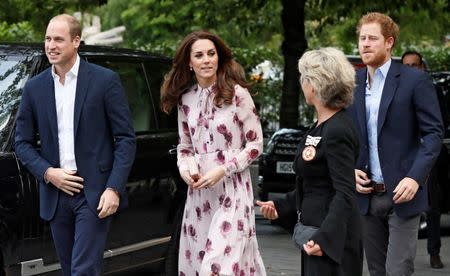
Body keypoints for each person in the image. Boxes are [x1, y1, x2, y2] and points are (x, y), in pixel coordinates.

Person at [14, 14, 136, 276]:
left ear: (76, 41)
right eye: (47, 39)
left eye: (59, 39)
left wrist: (113, 187)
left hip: (93, 194)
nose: (51, 45)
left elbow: (125, 138)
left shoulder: (105, 81)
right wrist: (48, 173)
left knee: (83, 271)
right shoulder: (34, 88)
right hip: (56, 195)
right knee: (70, 270)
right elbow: (22, 142)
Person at [160, 31, 266, 276]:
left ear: (219, 58)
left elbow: (255, 144)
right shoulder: (185, 100)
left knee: (219, 267)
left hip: (233, 189)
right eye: (199, 55)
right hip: (200, 196)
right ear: (190, 62)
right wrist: (187, 171)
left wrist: (223, 169)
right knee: (199, 264)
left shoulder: (237, 94)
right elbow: (185, 147)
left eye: (211, 54)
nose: (206, 60)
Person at [349, 13, 443, 276]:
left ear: (389, 42)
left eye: (372, 38)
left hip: (404, 194)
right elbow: (343, 136)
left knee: (398, 271)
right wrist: (349, 169)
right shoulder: (352, 84)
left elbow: (434, 134)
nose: (365, 44)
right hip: (367, 196)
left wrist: (415, 178)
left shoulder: (414, 81)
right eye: (362, 38)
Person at [256, 47, 363, 275]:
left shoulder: (337, 130)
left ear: (314, 85)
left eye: (304, 77)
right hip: (315, 233)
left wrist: (325, 239)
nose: (302, 83)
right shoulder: (321, 125)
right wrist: (281, 207)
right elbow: (315, 183)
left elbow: (344, 192)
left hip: (329, 238)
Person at [402, 50, 448, 269]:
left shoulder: (433, 90)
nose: (410, 69)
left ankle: (434, 252)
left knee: (432, 206)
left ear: (422, 68)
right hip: (401, 157)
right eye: (406, 66)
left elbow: (439, 125)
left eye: (414, 65)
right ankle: (400, 256)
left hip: (428, 156)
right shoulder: (394, 92)